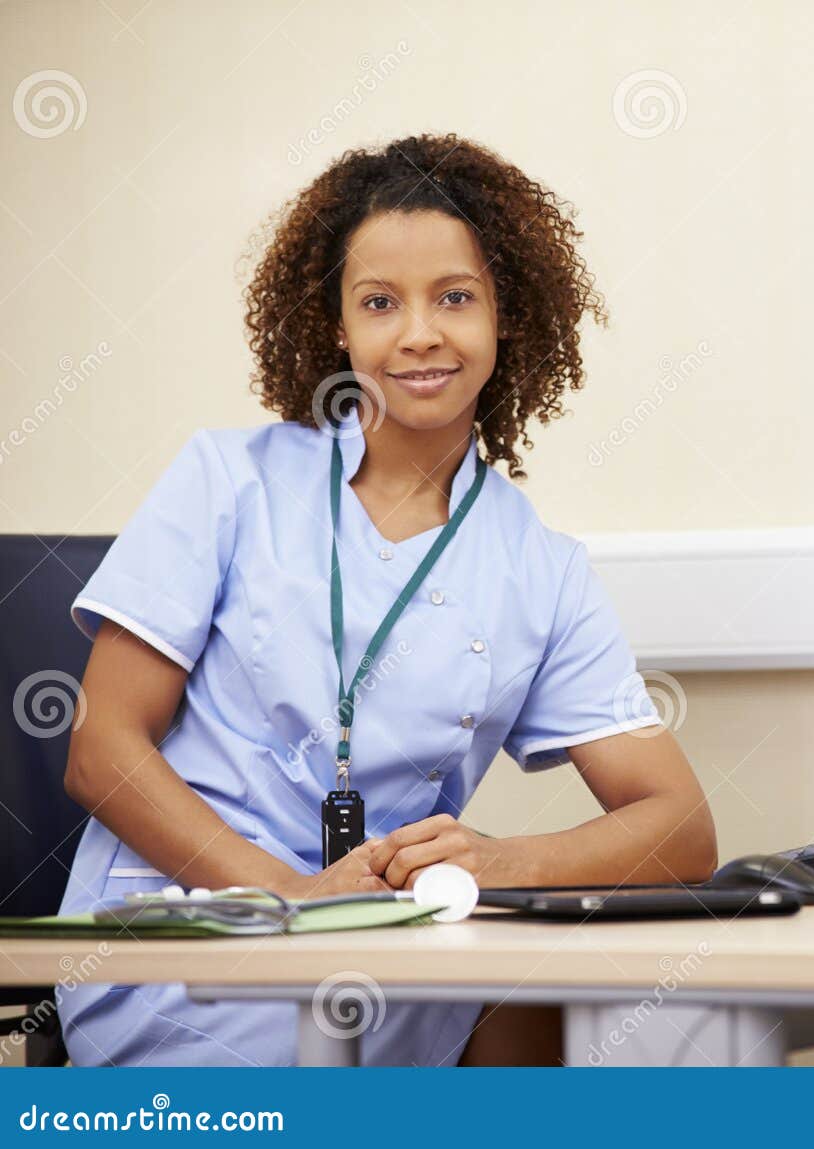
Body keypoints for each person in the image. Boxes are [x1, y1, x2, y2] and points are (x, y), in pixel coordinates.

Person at [55, 133, 718, 1066]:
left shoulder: (539, 566)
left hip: (391, 950)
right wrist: (286, 894)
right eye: (379, 302)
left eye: (455, 296)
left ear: (505, 315)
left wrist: (501, 864)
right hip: (187, 940)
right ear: (336, 325)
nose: (419, 333)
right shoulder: (227, 484)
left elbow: (680, 825)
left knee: (551, 995)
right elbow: (100, 749)